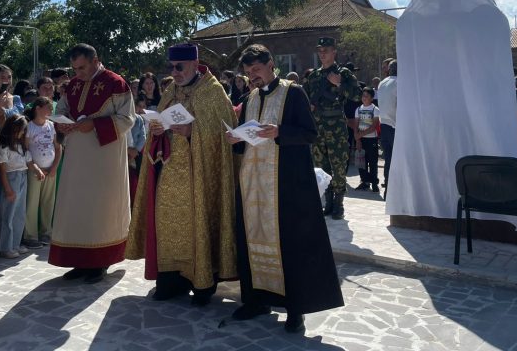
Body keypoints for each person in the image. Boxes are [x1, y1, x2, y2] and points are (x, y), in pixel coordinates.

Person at [228, 44, 343, 333]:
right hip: (253, 186)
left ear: (271, 64)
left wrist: (280, 132)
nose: (252, 76)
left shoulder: (293, 93)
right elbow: (246, 140)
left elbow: (310, 133)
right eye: (248, 72)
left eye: (256, 70)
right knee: (251, 243)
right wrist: (236, 139)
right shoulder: (250, 97)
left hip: (285, 186)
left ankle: (295, 309)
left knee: (290, 246)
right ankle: (256, 300)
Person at [127, 43, 237, 306]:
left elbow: (225, 133)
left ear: (195, 64)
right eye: (171, 67)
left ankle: (202, 284)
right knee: (167, 225)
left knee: (198, 224)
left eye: (179, 67)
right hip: (169, 173)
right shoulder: (170, 91)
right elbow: (159, 129)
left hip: (200, 176)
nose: (174, 72)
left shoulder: (213, 91)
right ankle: (171, 280)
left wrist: (192, 132)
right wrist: (157, 131)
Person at [48, 44, 135, 284]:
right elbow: (62, 109)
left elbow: (128, 119)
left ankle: (100, 262)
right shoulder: (73, 85)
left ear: (95, 60)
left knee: (100, 207)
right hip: (76, 157)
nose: (78, 73)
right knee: (77, 206)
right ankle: (80, 261)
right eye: (75, 69)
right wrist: (61, 123)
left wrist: (95, 125)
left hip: (104, 158)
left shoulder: (116, 83)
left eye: (82, 67)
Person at [303, 37, 359, 219]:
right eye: (320, 50)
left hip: (336, 128)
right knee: (321, 166)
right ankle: (328, 202)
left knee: (338, 165)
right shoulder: (313, 76)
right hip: (318, 128)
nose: (322, 54)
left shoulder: (343, 73)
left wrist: (339, 84)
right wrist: (308, 106)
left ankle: (339, 204)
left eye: (326, 50)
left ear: (334, 51)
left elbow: (357, 95)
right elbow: (305, 98)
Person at [23, 98, 60, 249]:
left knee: (48, 202)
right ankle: (30, 236)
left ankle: (46, 232)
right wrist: (36, 168)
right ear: (38, 108)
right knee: (32, 203)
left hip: (50, 170)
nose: (51, 111)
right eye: (48, 108)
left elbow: (58, 147)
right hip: (34, 171)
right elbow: (25, 150)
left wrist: (54, 167)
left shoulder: (51, 125)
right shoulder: (29, 127)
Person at [0, 115, 30, 259]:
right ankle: (5, 247)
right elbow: (2, 170)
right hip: (11, 178)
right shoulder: (4, 147)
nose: (23, 133)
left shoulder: (21, 146)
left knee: (19, 213)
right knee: (8, 214)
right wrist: (8, 189)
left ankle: (15, 244)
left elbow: (28, 162)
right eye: (21, 130)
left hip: (23, 176)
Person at [354, 86, 380, 193]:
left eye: (367, 96)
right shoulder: (358, 109)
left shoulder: (375, 110)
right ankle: (364, 182)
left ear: (372, 98)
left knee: (373, 162)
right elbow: (356, 125)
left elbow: (373, 127)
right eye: (363, 96)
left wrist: (359, 135)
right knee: (361, 163)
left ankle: (374, 183)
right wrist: (357, 140)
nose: (364, 98)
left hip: (372, 140)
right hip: (361, 140)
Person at [377, 60, 397, 195]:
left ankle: (388, 189)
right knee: (396, 160)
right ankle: (394, 190)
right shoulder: (399, 83)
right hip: (395, 126)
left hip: (384, 125)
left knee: (388, 159)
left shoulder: (382, 83)